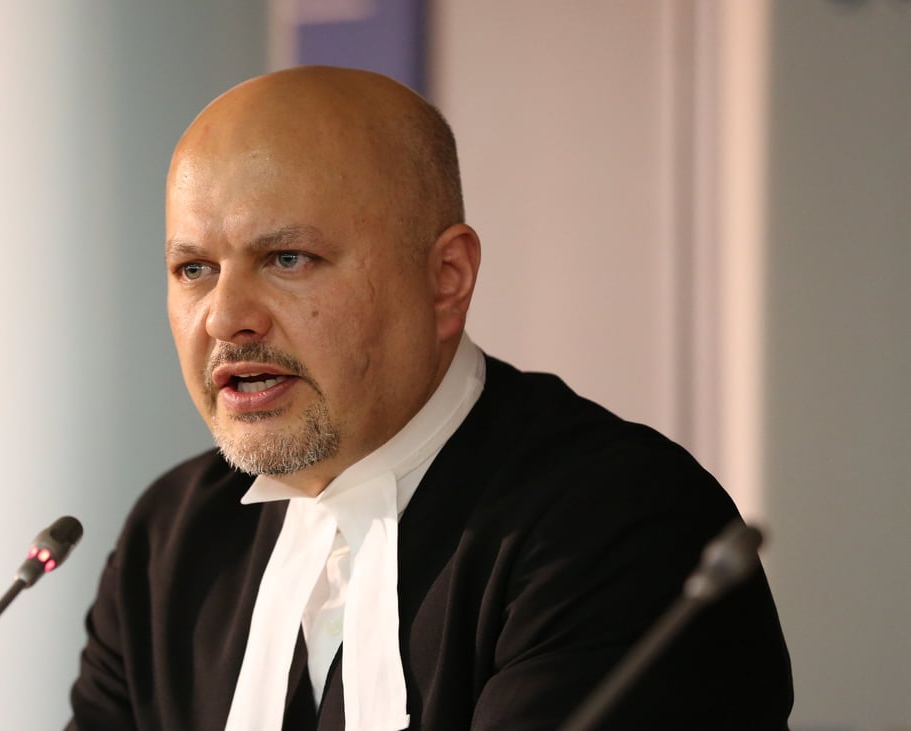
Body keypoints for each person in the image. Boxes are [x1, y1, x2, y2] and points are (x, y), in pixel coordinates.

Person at [67, 66, 792, 730]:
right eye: (194, 269)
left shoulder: (618, 522)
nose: (226, 318)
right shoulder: (170, 539)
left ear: (446, 278)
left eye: (287, 258)